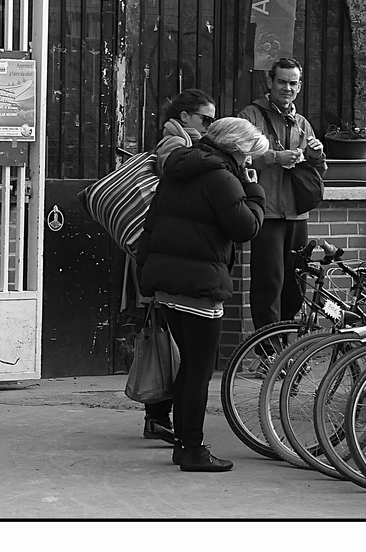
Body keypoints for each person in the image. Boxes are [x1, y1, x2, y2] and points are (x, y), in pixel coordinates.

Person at [137, 117, 268, 472]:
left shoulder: (177, 170)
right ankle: (192, 449)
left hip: (168, 282)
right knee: (198, 370)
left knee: (188, 367)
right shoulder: (223, 179)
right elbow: (245, 228)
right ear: (238, 150)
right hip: (200, 286)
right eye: (249, 156)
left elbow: (151, 227)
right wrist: (255, 192)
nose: (249, 164)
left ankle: (184, 444)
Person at [141, 89, 216, 446]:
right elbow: (175, 170)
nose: (210, 125)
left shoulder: (183, 139)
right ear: (185, 116)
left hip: (164, 249)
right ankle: (157, 414)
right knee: (167, 343)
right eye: (206, 118)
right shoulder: (173, 142)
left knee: (169, 341)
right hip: (166, 252)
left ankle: (159, 416)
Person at [238, 57, 326, 330]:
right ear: (270, 82)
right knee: (269, 283)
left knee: (295, 283)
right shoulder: (249, 116)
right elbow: (239, 156)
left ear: (299, 87)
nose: (287, 88)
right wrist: (275, 158)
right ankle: (267, 350)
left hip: (297, 214)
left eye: (293, 83)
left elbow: (319, 170)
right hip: (267, 213)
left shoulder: (302, 122)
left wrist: (315, 154)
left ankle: (287, 349)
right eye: (282, 82)